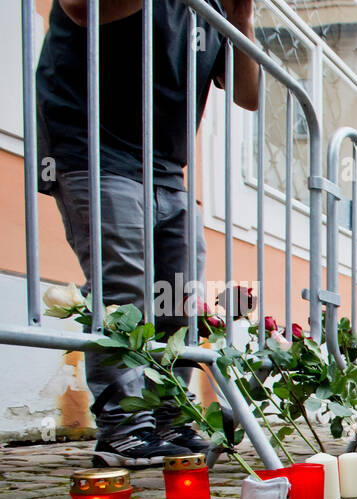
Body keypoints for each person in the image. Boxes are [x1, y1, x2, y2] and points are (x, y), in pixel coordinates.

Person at [38, 0, 261, 466]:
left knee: (178, 301)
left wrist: (240, 21)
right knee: (124, 292)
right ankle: (123, 429)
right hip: (91, 150)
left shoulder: (211, 7)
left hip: (164, 169)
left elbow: (248, 93)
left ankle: (166, 419)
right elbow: (80, 9)